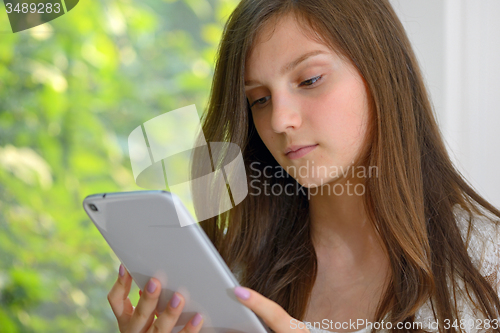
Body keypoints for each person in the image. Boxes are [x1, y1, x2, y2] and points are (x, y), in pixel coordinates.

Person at [106, 0, 500, 332]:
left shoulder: (488, 267)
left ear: (383, 72)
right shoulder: (234, 277)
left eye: (309, 80)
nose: (279, 120)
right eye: (259, 100)